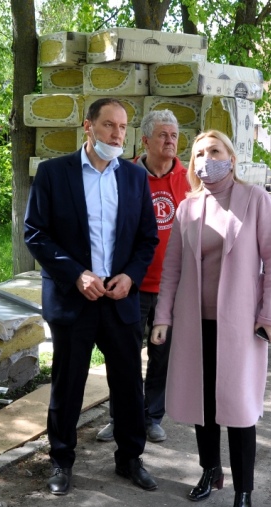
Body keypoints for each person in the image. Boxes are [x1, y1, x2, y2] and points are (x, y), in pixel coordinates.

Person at [151, 131, 271, 507]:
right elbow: (172, 268)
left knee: (239, 408)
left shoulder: (255, 200)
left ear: (231, 156)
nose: (206, 159)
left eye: (214, 151)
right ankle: (210, 469)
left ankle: (244, 492)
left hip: (241, 323)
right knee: (203, 402)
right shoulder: (188, 207)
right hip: (194, 320)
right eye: (199, 154)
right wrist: (163, 317)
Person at [24, 97, 159, 496]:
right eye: (109, 125)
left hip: (119, 298)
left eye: (122, 127)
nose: (117, 134)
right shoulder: (54, 173)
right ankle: (61, 461)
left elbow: (146, 239)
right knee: (68, 385)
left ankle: (130, 458)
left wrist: (131, 277)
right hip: (73, 298)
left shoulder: (133, 178)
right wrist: (75, 273)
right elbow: (36, 233)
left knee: (128, 384)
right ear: (88, 127)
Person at [96, 109, 188, 446]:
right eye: (163, 135)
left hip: (171, 288)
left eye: (174, 136)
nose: (170, 141)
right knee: (124, 355)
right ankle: (120, 417)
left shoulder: (189, 178)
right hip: (131, 284)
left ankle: (151, 417)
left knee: (162, 357)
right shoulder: (125, 174)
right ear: (146, 140)